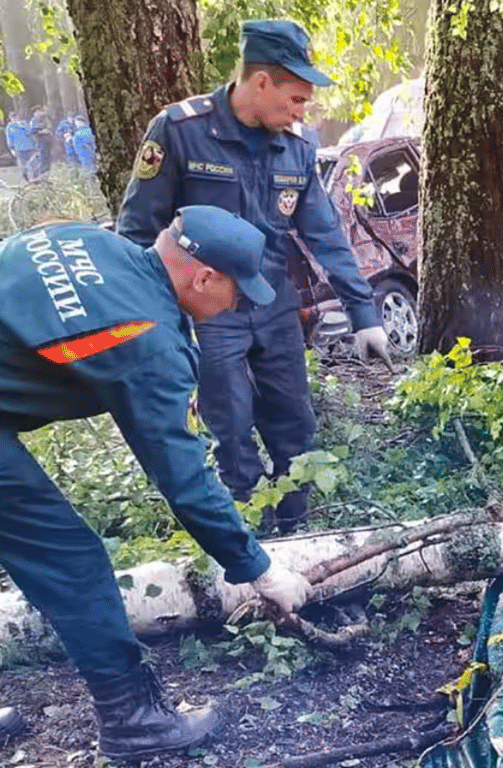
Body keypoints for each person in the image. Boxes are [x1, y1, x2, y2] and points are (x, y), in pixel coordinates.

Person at [0, 206, 311, 759]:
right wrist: (258, 570)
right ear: (204, 277)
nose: (238, 306)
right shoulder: (147, 338)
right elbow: (184, 480)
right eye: (239, 293)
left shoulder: (89, 240)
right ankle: (132, 721)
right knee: (71, 562)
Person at [117, 20, 391, 536]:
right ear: (260, 82)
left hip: (273, 309)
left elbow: (326, 234)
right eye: (296, 96)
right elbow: (136, 234)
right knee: (233, 436)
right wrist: (154, 330)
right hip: (208, 314)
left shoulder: (297, 149)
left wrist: (363, 314)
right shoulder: (180, 131)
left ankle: (302, 537)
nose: (303, 109)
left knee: (296, 431)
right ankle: (250, 549)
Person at [5, 110, 33, 181]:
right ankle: (26, 178)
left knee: (32, 163)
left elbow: (30, 132)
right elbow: (9, 139)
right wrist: (11, 149)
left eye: (15, 117)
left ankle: (33, 178)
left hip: (29, 147)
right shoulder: (9, 127)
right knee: (22, 165)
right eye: (12, 117)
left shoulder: (24, 124)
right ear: (10, 118)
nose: (14, 119)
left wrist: (22, 125)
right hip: (18, 148)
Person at [28, 106, 52, 179]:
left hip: (45, 142)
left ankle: (44, 173)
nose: (43, 112)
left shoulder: (43, 119)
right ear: (37, 111)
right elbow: (34, 131)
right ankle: (38, 174)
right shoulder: (35, 120)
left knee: (46, 157)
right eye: (41, 111)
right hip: (40, 142)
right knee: (41, 158)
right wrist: (44, 131)